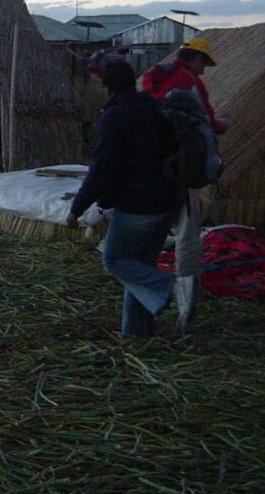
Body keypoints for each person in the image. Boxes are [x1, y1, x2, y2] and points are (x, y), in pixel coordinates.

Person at [68, 61, 184, 338]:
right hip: (168, 200)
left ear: (106, 85)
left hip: (138, 204)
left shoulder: (115, 115)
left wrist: (77, 208)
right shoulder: (152, 107)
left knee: (115, 261)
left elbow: (102, 167)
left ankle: (172, 287)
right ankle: (135, 334)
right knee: (140, 269)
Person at [142, 36, 227, 329]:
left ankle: (144, 292)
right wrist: (219, 129)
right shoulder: (189, 82)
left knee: (151, 229)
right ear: (194, 59)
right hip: (184, 168)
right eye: (203, 62)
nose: (204, 69)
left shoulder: (155, 78)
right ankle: (184, 299)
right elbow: (204, 119)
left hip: (154, 166)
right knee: (188, 232)